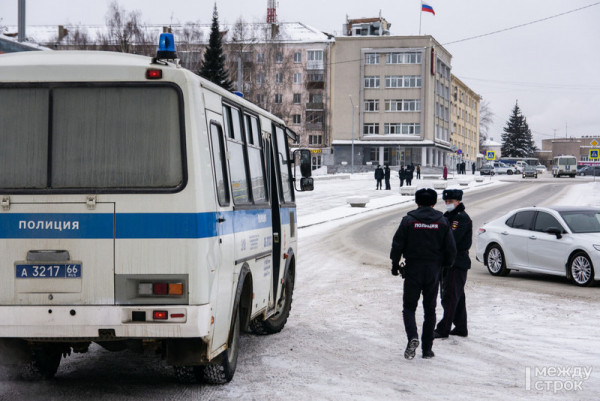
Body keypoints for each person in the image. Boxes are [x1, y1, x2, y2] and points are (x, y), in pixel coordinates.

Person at [390, 188, 457, 360]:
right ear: (434, 203)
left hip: (413, 269)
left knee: (409, 308)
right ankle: (427, 349)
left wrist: (395, 264)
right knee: (430, 310)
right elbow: (451, 249)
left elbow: (397, 244)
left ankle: (412, 336)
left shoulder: (408, 221)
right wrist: (445, 267)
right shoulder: (442, 221)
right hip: (433, 271)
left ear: (416, 201)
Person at [435, 189, 472, 339]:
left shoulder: (461, 218)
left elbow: (452, 239)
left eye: (450, 202)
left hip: (457, 262)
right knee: (458, 297)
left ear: (458, 201)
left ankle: (444, 329)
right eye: (446, 202)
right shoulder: (448, 216)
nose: (447, 204)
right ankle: (461, 327)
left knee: (449, 296)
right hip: (449, 262)